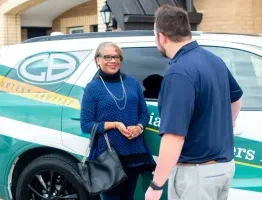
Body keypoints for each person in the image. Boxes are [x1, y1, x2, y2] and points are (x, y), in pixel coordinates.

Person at [145, 5, 243, 200]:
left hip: (196, 175)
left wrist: (156, 186)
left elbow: (174, 136)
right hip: (222, 169)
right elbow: (236, 97)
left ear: (162, 37)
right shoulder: (214, 60)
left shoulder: (179, 72)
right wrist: (222, 128)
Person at [80, 41, 156, 200]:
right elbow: (86, 125)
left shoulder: (132, 82)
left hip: (133, 151)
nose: (113, 61)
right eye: (107, 57)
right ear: (97, 60)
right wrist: (114, 125)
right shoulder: (92, 88)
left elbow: (144, 114)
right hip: (108, 155)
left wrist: (139, 127)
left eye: (116, 57)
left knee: (129, 197)